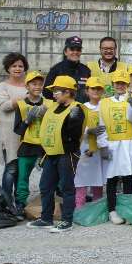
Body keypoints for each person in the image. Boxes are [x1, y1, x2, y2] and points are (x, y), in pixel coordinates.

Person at [26, 75, 85, 233]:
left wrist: (73, 119)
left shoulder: (76, 109)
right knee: (45, 186)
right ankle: (46, 218)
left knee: (67, 188)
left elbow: (74, 134)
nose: (54, 94)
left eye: (57, 91)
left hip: (67, 154)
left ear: (68, 92)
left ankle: (67, 220)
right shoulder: (52, 107)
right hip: (51, 153)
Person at [100, 70, 132, 225]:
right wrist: (102, 145)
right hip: (112, 144)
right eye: (117, 83)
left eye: (123, 83)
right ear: (113, 85)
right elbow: (101, 124)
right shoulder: (104, 103)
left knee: (128, 177)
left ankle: (128, 210)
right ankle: (112, 210)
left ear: (127, 85)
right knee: (111, 178)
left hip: (128, 144)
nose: (120, 86)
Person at [12, 71, 53, 212]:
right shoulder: (21, 105)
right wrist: (28, 120)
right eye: (33, 84)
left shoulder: (49, 104)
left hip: (45, 147)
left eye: (40, 84)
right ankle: (20, 203)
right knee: (23, 177)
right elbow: (17, 130)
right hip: (27, 147)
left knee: (51, 176)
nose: (37, 86)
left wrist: (47, 116)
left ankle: (52, 201)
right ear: (27, 86)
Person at [0, 53, 29, 202]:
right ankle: (6, 202)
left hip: (27, 133)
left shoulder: (30, 84)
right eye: (14, 66)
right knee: (11, 168)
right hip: (10, 134)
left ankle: (20, 202)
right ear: (8, 68)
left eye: (20, 66)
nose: (17, 68)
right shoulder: (2, 86)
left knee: (23, 170)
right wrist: (24, 99)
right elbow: (4, 105)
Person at [75, 77, 108, 209]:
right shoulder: (81, 108)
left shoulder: (105, 107)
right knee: (81, 177)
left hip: (101, 148)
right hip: (85, 147)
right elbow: (76, 129)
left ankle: (96, 207)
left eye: (99, 89)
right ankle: (79, 206)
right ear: (87, 91)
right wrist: (89, 131)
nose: (96, 91)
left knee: (98, 177)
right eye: (93, 88)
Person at [43, 36, 91, 103]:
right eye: (72, 49)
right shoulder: (56, 70)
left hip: (81, 109)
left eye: (78, 49)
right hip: (62, 110)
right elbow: (46, 93)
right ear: (65, 52)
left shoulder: (86, 70)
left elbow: (90, 92)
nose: (75, 52)